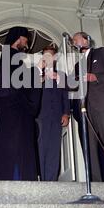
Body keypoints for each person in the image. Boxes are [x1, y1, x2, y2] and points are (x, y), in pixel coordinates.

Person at [0, 26, 41, 181]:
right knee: (15, 146)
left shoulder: (12, 57)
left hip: (12, 110)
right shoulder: (9, 56)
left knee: (14, 146)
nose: (27, 44)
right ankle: (16, 179)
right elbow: (13, 84)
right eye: (26, 40)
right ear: (18, 38)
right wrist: (36, 71)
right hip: (13, 111)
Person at [71, 32, 104, 182]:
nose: (73, 42)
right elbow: (72, 84)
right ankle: (94, 181)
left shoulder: (101, 52)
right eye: (72, 41)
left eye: (75, 39)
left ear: (87, 39)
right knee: (89, 147)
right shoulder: (78, 64)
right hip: (87, 108)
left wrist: (96, 77)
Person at [37, 44, 70, 181]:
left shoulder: (61, 75)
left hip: (56, 116)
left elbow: (66, 95)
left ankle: (51, 180)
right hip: (40, 117)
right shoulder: (37, 73)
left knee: (54, 150)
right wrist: (42, 78)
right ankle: (41, 179)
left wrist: (66, 113)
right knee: (40, 148)